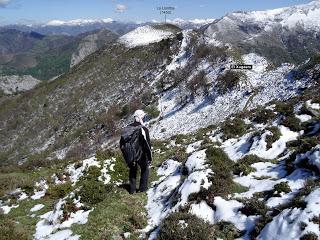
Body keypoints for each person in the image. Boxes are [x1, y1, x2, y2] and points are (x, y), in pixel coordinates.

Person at [120, 109, 152, 194]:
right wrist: (149, 157)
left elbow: (121, 144)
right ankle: (142, 189)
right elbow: (147, 144)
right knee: (145, 169)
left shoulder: (127, 128)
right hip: (140, 154)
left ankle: (132, 190)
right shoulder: (143, 129)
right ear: (141, 117)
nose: (144, 118)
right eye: (143, 116)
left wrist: (126, 155)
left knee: (133, 170)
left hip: (130, 154)